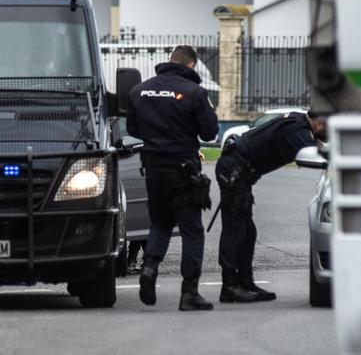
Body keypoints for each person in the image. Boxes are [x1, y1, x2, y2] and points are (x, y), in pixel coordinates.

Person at [126, 45, 219, 311]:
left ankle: (150, 268)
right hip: (183, 170)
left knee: (160, 224)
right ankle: (189, 293)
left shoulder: (140, 90)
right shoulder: (194, 92)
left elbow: (133, 128)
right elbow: (210, 132)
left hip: (153, 169)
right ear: (191, 65)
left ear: (171, 61)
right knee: (192, 230)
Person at [215, 111, 327, 303]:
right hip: (235, 169)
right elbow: (321, 157)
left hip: (238, 168)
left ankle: (245, 282)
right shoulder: (298, 132)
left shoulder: (298, 123)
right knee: (235, 229)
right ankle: (229, 286)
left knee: (247, 231)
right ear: (318, 122)